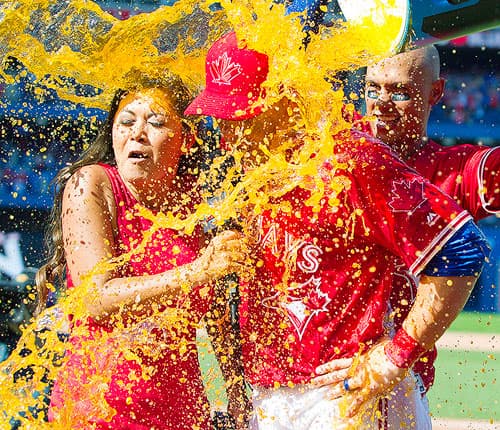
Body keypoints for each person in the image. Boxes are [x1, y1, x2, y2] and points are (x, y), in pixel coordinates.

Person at [184, 31, 490, 429]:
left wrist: (397, 355)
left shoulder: (352, 160)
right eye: (220, 118)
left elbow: (461, 250)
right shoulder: (257, 169)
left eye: (240, 118)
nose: (226, 137)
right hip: (271, 399)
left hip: (346, 399)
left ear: (284, 100)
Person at [34, 72, 249, 429]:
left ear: (187, 139)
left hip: (183, 414)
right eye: (127, 122)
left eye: (155, 122)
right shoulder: (91, 183)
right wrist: (198, 271)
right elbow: (96, 299)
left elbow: (217, 322)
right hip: (99, 412)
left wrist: (238, 400)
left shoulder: (197, 205)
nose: (137, 133)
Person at [363, 45, 500, 392]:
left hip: (398, 385)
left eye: (399, 91)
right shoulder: (337, 147)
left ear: (435, 93)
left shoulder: (453, 172)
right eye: (372, 88)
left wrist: (398, 354)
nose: (380, 102)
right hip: (314, 378)